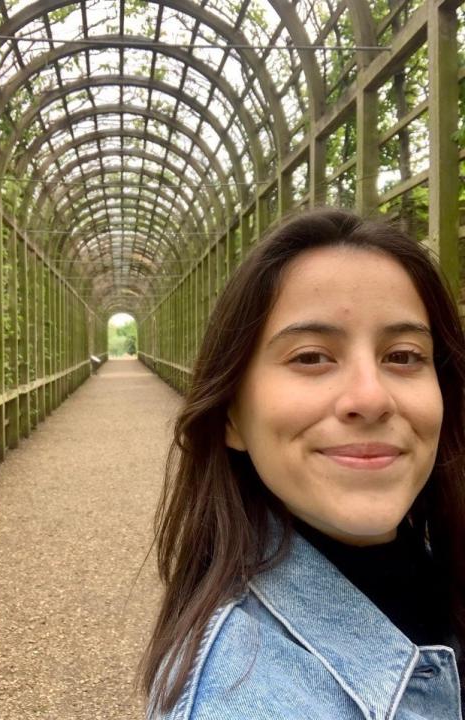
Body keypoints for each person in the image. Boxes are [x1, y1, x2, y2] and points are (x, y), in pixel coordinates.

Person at [139, 208, 465, 719]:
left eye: (403, 355)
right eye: (311, 357)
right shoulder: (239, 700)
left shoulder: (436, 562)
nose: (370, 398)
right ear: (231, 416)